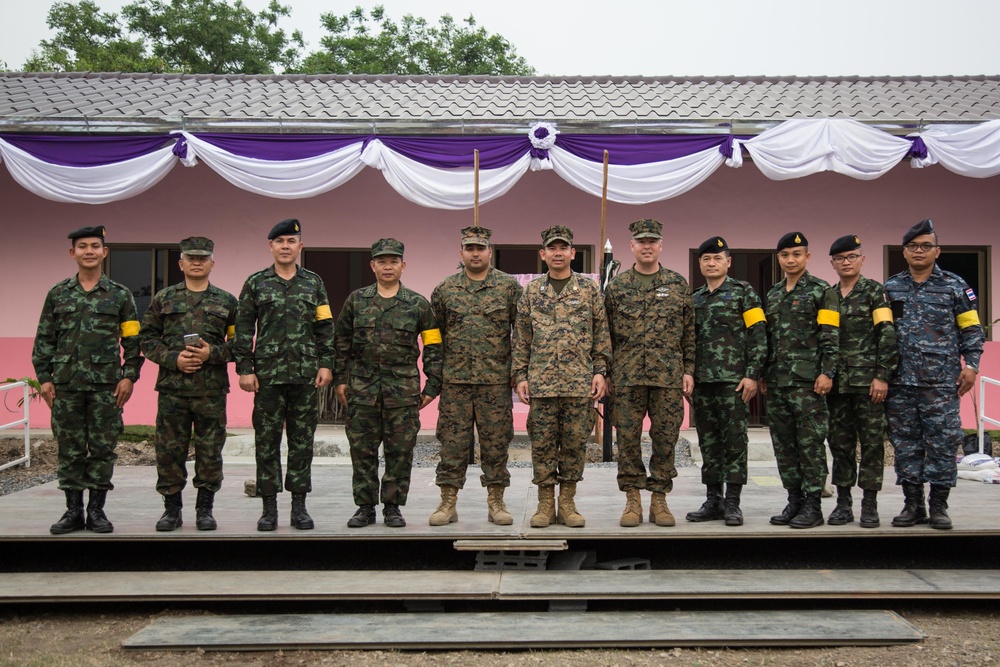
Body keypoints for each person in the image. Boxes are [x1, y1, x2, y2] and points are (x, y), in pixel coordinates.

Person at [33, 225, 142, 535]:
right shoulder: (58, 294)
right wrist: (44, 378)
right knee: (69, 448)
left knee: (102, 448)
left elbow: (133, 340)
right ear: (73, 253)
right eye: (83, 246)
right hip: (66, 386)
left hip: (107, 387)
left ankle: (96, 511)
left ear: (105, 252)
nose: (89, 251)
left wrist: (129, 376)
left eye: (96, 246)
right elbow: (45, 338)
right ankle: (72, 511)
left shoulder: (121, 295)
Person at [334, 238, 443, 528]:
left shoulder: (418, 304)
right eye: (381, 261)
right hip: (362, 389)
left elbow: (433, 345)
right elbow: (341, 342)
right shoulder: (356, 301)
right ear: (372, 265)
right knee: (362, 450)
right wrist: (340, 380)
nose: (387, 266)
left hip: (402, 391)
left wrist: (433, 386)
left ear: (403, 265)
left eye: (393, 261)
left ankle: (393, 506)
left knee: (400, 451)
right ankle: (365, 507)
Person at [234, 219, 335, 532]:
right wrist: (245, 369)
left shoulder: (314, 283)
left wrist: (326, 363)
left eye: (291, 241)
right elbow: (242, 328)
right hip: (267, 377)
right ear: (271, 247)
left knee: (302, 444)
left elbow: (324, 326)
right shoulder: (255, 283)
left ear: (300, 246)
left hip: (305, 376)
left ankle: (299, 507)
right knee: (267, 443)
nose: (286, 246)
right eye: (280, 241)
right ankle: (268, 508)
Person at [885, 219, 984, 530]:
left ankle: (939, 506)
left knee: (941, 442)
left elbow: (971, 330)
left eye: (926, 246)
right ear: (904, 252)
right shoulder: (890, 288)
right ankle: (912, 504)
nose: (919, 251)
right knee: (905, 444)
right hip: (900, 382)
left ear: (937, 251)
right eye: (913, 246)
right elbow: (883, 335)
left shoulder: (955, 287)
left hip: (941, 382)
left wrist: (972, 365)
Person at [512, 225, 612, 529]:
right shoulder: (531, 292)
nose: (558, 253)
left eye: (563, 248)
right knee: (542, 445)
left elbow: (601, 335)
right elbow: (521, 338)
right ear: (543, 254)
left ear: (572, 253)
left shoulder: (588, 290)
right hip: (541, 384)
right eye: (551, 249)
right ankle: (545, 504)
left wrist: (600, 371)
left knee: (573, 444)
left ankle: (567, 503)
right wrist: (520, 375)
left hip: (578, 383)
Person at [140, 236, 238, 532]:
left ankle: (205, 509)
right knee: (169, 451)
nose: (197, 262)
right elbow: (146, 339)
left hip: (211, 391)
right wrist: (173, 359)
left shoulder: (227, 301)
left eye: (203, 258)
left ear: (212, 263)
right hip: (173, 389)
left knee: (210, 451)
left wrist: (213, 352)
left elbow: (240, 344)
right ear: (180, 263)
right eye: (191, 258)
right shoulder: (163, 299)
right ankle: (172, 510)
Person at [428, 226, 522, 526]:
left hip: (494, 382)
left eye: (480, 248)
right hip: (455, 383)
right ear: (461, 253)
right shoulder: (445, 290)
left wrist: (518, 372)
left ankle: (496, 502)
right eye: (469, 248)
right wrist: (436, 375)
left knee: (496, 445)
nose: (475, 253)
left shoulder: (508, 288)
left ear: (489, 252)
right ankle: (447, 503)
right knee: (452, 445)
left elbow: (521, 333)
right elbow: (435, 336)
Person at [604, 219, 694, 528]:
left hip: (667, 376)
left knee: (666, 438)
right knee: (627, 438)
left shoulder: (678, 284)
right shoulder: (616, 287)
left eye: (652, 241)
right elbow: (606, 336)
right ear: (632, 246)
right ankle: (632, 499)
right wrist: (605, 372)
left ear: (660, 245)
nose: (646, 245)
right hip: (626, 377)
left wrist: (689, 369)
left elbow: (688, 333)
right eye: (641, 241)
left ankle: (659, 498)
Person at [761, 232, 839, 529]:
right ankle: (793, 500)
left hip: (808, 383)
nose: (790, 260)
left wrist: (827, 372)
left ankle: (813, 505)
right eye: (785, 255)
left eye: (797, 254)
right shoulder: (774, 293)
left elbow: (831, 337)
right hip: (779, 382)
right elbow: (768, 339)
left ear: (807, 257)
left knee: (810, 445)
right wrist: (765, 373)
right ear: (778, 258)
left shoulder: (821, 291)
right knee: (784, 445)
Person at [687, 236, 767, 527]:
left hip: (734, 382)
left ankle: (733, 503)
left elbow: (759, 334)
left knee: (735, 443)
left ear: (728, 262)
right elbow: (687, 341)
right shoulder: (694, 298)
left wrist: (752, 374)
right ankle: (713, 500)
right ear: (700, 263)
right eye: (706, 259)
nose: (711, 263)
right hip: (703, 382)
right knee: (709, 444)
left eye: (717, 258)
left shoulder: (744, 293)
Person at [826, 235, 898, 528]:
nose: (846, 262)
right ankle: (843, 504)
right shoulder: (829, 295)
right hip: (836, 386)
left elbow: (887, 333)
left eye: (852, 257)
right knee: (839, 445)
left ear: (862, 260)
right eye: (841, 258)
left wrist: (882, 376)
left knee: (870, 445)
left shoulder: (874, 293)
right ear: (832, 263)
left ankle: (870, 505)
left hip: (868, 384)